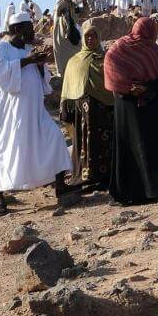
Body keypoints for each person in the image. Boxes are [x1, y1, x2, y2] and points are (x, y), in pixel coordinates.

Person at [0, 12, 72, 215]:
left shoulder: (27, 49)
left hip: (34, 111)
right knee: (2, 150)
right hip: (8, 114)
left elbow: (43, 82)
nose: (33, 32)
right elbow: (1, 77)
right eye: (29, 28)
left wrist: (40, 65)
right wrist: (27, 60)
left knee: (54, 137)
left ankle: (60, 185)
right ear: (17, 29)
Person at [104, 17, 158, 206]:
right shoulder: (155, 52)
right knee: (149, 146)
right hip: (148, 107)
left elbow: (110, 65)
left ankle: (127, 191)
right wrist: (147, 87)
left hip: (126, 105)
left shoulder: (119, 46)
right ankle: (151, 190)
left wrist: (129, 87)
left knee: (129, 145)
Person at [61, 23, 115, 191]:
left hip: (103, 109)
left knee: (102, 143)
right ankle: (85, 177)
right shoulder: (74, 61)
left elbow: (112, 82)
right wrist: (65, 107)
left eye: (93, 35)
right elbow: (68, 86)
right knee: (82, 140)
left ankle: (104, 176)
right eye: (87, 36)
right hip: (81, 112)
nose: (90, 38)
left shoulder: (107, 58)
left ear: (99, 38)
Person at [52, 0, 81, 81]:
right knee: (65, 64)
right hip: (62, 41)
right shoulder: (60, 10)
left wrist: (83, 0)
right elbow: (59, 9)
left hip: (72, 40)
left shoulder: (72, 7)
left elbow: (83, 12)